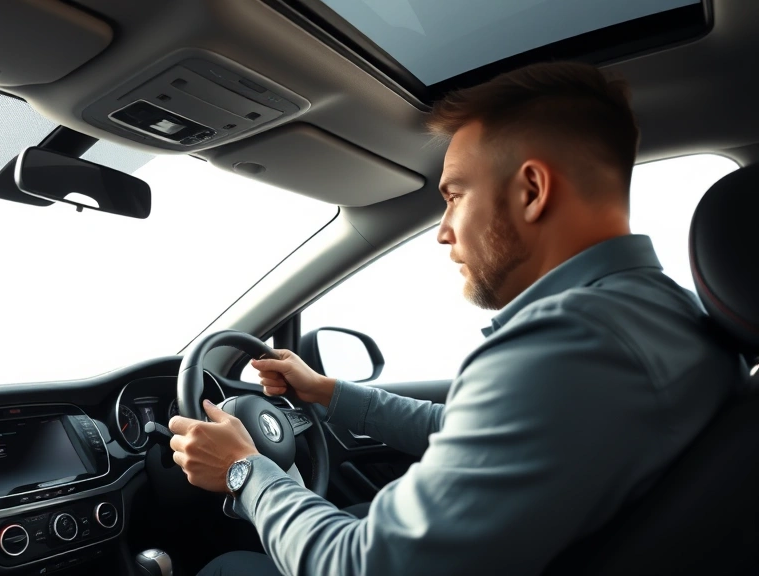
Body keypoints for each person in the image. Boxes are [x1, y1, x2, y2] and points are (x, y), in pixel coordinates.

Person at [167, 61, 748, 576]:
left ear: (531, 190)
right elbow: (477, 429)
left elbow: (363, 566)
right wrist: (329, 393)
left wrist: (246, 472)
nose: (444, 231)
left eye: (454, 195)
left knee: (228, 567)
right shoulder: (661, 315)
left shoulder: (567, 345)